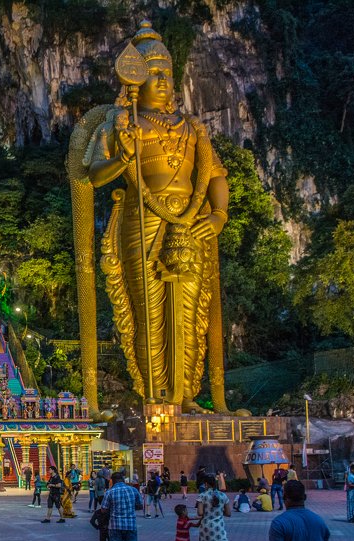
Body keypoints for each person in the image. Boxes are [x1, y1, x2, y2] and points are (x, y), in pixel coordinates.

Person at [72, 20, 232, 414]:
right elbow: (93, 174)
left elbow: (214, 175)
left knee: (192, 310)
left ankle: (189, 395)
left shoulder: (193, 128)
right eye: (153, 75)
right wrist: (123, 157)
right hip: (141, 219)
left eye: (167, 75)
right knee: (149, 310)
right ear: (134, 81)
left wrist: (219, 216)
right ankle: (155, 395)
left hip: (191, 222)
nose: (162, 83)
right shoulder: (122, 123)